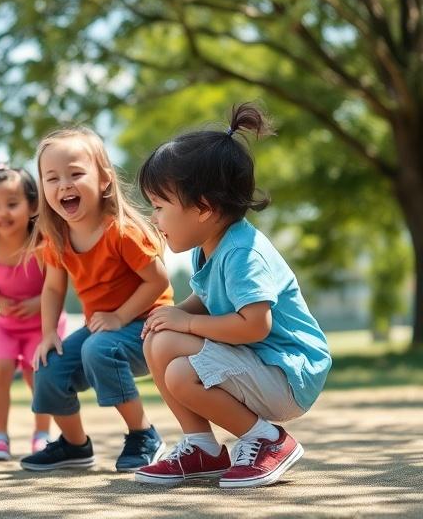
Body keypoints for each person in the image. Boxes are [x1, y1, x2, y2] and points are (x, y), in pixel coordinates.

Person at [134, 103, 331, 488]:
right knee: (157, 341)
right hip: (257, 365)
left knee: (179, 368)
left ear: (203, 207)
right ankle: (202, 448)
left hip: (287, 374)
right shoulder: (207, 247)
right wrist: (172, 316)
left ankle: (269, 441)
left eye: (158, 206)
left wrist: (186, 322)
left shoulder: (243, 252)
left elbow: (255, 325)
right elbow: (207, 298)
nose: (153, 219)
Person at [21, 127, 172, 474]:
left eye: (75, 174)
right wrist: (47, 334)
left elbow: (158, 280)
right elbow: (53, 289)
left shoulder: (121, 232)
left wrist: (120, 316)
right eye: (52, 178)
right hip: (104, 328)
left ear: (104, 180)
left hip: (150, 326)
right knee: (48, 366)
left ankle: (144, 434)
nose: (64, 185)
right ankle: (75, 446)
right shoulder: (57, 237)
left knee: (98, 349)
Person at [0, 166, 66, 462]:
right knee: (0, 370)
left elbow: (56, 284)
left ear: (33, 205)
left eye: (12, 204)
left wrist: (38, 303)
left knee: (38, 373)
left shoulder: (44, 242)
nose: (2, 213)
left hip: (42, 321)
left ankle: (41, 434)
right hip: (3, 324)